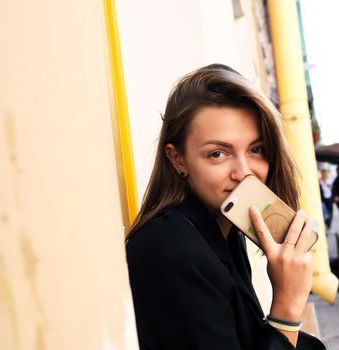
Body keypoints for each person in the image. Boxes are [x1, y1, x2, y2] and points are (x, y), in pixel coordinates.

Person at [125, 64, 326, 350]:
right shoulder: (170, 249)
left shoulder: (224, 229)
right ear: (178, 160)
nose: (243, 172)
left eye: (256, 149)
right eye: (217, 154)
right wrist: (287, 307)